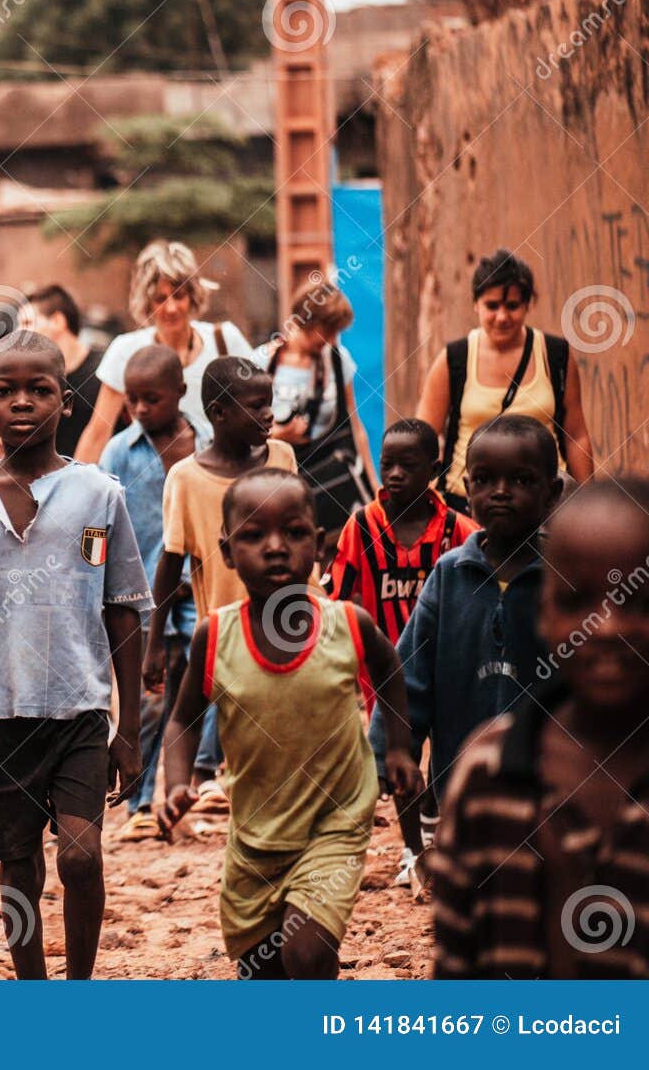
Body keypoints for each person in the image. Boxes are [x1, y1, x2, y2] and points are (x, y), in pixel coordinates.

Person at [0, 330, 150, 980]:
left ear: (67, 401)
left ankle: (78, 985)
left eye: (39, 388)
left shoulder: (97, 497)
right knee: (18, 861)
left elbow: (125, 607)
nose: (22, 401)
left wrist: (127, 727)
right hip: (6, 713)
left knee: (80, 855)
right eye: (5, 390)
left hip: (80, 709)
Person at [158, 468, 422, 979]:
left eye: (294, 533)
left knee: (307, 950)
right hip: (257, 835)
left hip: (336, 821)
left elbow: (390, 671)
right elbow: (183, 722)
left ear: (318, 546)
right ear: (228, 551)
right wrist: (175, 783)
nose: (276, 547)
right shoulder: (215, 637)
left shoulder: (347, 624)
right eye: (254, 536)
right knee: (263, 969)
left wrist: (397, 749)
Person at [433, 479, 649, 978]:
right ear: (544, 614)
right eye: (578, 602)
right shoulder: (487, 774)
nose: (608, 627)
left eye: (639, 602)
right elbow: (455, 966)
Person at [374, 414, 562, 810]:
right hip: (460, 788)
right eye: (484, 480)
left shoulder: (565, 580)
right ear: (466, 488)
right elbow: (410, 675)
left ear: (552, 493)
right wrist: (387, 751)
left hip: (551, 789)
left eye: (522, 481)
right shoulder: (449, 575)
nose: (500, 492)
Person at [145, 357, 302, 816]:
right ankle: (223, 793)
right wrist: (154, 642)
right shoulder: (187, 479)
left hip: (290, 620)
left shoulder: (282, 459)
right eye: (256, 407)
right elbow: (171, 562)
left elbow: (301, 532)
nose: (270, 416)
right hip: (228, 633)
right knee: (240, 735)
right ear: (218, 413)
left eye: (270, 405)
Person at [329, 418, 477, 879]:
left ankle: (439, 826)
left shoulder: (459, 530)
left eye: (407, 466)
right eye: (386, 464)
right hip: (386, 675)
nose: (394, 475)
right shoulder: (361, 527)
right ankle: (414, 850)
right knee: (399, 757)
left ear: (432, 470)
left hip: (450, 669)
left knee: (448, 757)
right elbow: (339, 596)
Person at [98, 346, 201, 842]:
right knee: (147, 698)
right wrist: (94, 576)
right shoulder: (120, 451)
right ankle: (138, 800)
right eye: (132, 400)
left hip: (198, 589)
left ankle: (192, 789)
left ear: (180, 393)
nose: (139, 409)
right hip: (139, 599)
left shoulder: (205, 445)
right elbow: (96, 521)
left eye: (151, 399)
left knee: (199, 690)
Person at [416, 248, 593, 513]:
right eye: (492, 306)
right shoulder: (454, 360)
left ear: (528, 304)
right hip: (468, 510)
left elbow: (576, 435)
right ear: (475, 304)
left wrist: (588, 505)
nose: (502, 317)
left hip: (545, 509)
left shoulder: (555, 356)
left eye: (512, 306)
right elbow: (424, 439)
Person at [73, 240, 253, 463]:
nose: (171, 308)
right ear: (147, 303)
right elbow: (98, 432)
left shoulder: (225, 340)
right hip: (151, 479)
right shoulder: (125, 350)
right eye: (160, 298)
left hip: (219, 473)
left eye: (178, 296)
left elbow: (259, 406)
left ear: (192, 296)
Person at [253, 280, 378, 555]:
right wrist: (277, 436)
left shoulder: (336, 360)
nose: (332, 340)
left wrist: (373, 485)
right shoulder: (264, 361)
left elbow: (354, 426)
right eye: (327, 331)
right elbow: (242, 428)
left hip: (326, 479)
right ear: (306, 322)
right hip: (276, 481)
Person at [19, 284, 105, 457]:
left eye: (27, 323)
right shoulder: (30, 381)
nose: (19, 332)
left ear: (57, 321)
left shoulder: (106, 369)